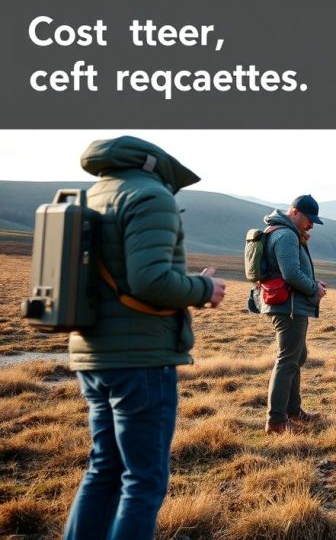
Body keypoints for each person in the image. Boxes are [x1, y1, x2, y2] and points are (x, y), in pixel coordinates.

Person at [63, 136, 227, 540]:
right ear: (156, 165)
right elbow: (149, 281)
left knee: (104, 470)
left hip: (95, 353)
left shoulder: (96, 194)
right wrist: (203, 289)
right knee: (143, 480)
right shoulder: (150, 196)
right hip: (140, 358)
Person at [249, 195, 328, 434]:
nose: (311, 224)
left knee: (297, 356)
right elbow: (291, 275)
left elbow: (290, 273)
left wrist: (313, 282)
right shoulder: (285, 235)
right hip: (289, 308)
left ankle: (293, 410)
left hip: (288, 305)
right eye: (308, 219)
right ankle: (276, 421)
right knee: (287, 361)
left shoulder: (283, 232)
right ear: (294, 212)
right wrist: (314, 288)